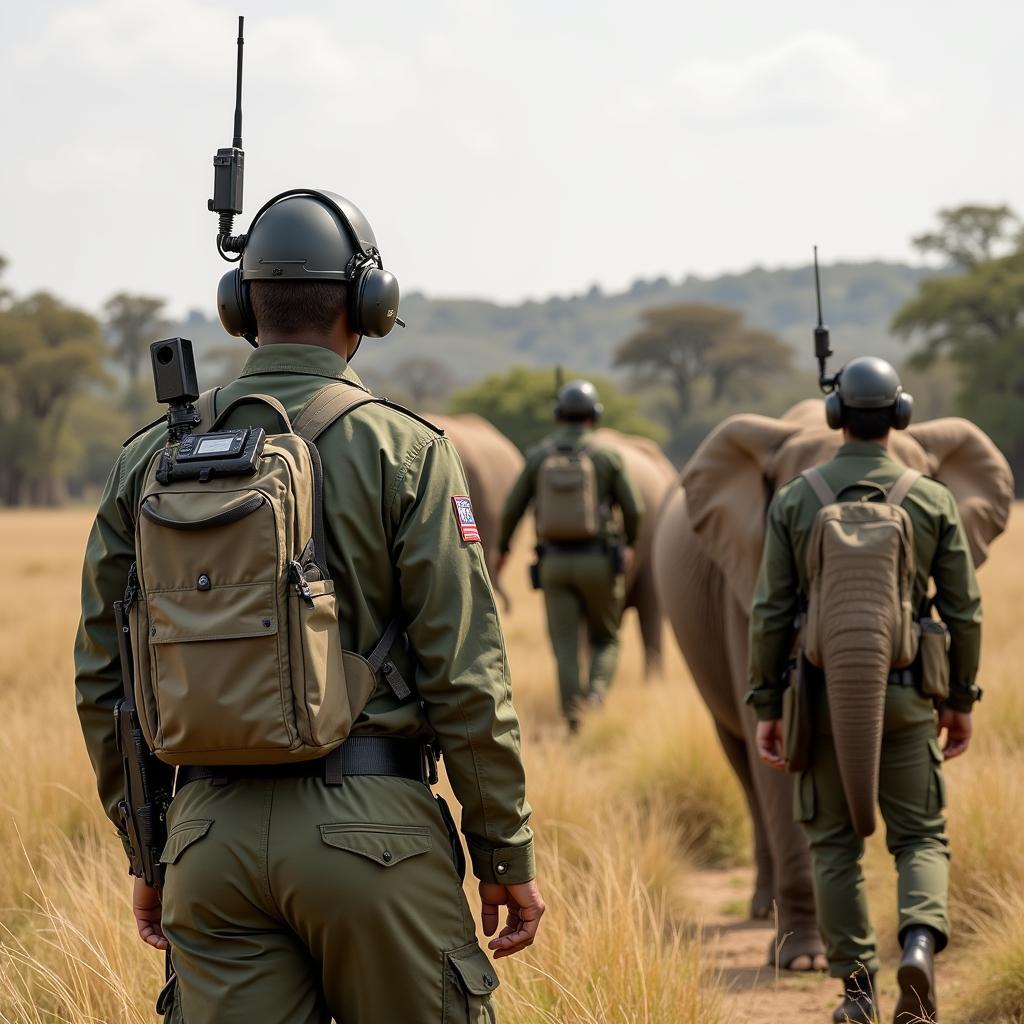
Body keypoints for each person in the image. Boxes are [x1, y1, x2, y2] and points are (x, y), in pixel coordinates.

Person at [74, 191, 543, 1024]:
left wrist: (151, 852)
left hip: (207, 842)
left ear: (239, 308)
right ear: (371, 303)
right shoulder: (408, 450)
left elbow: (105, 679)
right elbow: (467, 671)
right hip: (376, 836)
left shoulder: (149, 455)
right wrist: (502, 846)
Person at [748, 357, 981, 1024]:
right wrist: (960, 700)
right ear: (899, 417)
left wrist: (766, 706)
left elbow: (768, 613)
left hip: (819, 704)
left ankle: (856, 993)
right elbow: (964, 611)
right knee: (920, 840)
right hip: (908, 700)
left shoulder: (796, 498)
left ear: (835, 418)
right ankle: (916, 946)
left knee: (833, 847)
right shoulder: (932, 499)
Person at [495, 380, 643, 731]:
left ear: (558, 415)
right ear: (595, 416)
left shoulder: (538, 456)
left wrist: (502, 551)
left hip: (554, 564)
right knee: (605, 637)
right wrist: (630, 543)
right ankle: (595, 695)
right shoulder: (606, 456)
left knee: (563, 645)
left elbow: (511, 510)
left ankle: (573, 720)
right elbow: (635, 508)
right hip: (600, 562)